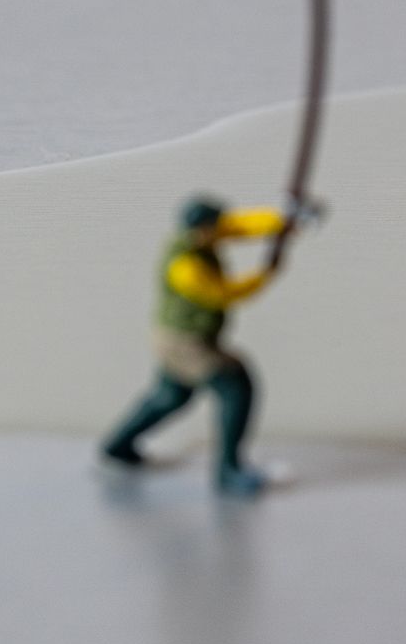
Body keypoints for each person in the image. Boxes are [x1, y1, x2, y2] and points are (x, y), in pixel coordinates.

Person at [98, 196, 313, 496]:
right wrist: (265, 275)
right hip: (185, 342)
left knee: (171, 395)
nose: (221, 231)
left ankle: (117, 446)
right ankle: (228, 472)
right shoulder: (185, 265)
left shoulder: (203, 235)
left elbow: (239, 225)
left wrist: (283, 221)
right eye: (215, 226)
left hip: (176, 336)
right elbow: (222, 293)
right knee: (234, 384)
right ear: (202, 228)